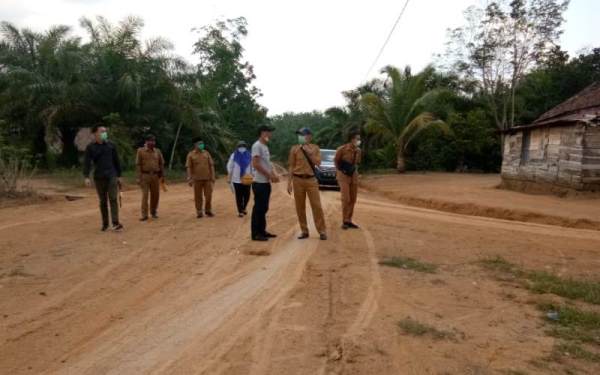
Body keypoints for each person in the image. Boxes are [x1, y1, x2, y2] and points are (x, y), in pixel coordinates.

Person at [287, 127, 327, 240]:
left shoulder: (315, 148)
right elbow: (291, 166)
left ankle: (322, 231)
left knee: (317, 206)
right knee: (300, 207)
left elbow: (318, 163)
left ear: (309, 136)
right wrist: (289, 182)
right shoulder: (294, 149)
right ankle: (304, 231)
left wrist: (309, 153)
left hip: (311, 180)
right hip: (297, 180)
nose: (300, 136)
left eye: (302, 134)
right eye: (299, 134)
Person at [83, 125, 124, 232]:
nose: (104, 133)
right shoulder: (90, 147)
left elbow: (116, 161)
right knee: (103, 201)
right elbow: (87, 163)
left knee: (113, 198)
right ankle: (105, 223)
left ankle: (115, 223)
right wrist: (86, 176)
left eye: (105, 131)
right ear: (95, 133)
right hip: (99, 177)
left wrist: (119, 175)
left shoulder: (111, 145)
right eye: (102, 131)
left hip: (111, 175)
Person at [251, 125, 280, 241]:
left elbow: (267, 163)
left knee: (264, 208)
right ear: (263, 133)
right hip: (259, 182)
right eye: (269, 132)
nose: (270, 135)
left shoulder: (265, 146)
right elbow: (256, 164)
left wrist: (273, 174)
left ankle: (262, 231)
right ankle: (256, 233)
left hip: (265, 182)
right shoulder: (257, 146)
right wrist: (269, 176)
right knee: (258, 208)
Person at [335, 131, 362, 230]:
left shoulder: (358, 151)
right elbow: (336, 161)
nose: (359, 141)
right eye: (357, 139)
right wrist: (342, 170)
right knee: (345, 198)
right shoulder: (342, 149)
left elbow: (357, 162)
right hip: (343, 176)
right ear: (352, 139)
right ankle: (345, 220)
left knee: (353, 199)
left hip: (353, 175)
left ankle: (349, 220)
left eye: (359, 139)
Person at [135, 134, 165, 221]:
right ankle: (144, 215)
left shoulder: (157, 151)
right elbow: (138, 165)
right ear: (146, 141)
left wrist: (162, 176)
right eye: (151, 141)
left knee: (155, 195)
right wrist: (138, 177)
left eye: (154, 141)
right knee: (145, 195)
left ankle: (153, 212)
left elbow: (161, 164)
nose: (153, 142)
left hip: (155, 176)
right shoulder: (140, 151)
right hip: (145, 176)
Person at [186, 137, 216, 218]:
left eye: (202, 143)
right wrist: (189, 178)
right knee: (198, 196)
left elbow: (211, 165)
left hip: (207, 179)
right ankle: (199, 211)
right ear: (195, 145)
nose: (202, 145)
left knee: (209, 195)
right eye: (199, 144)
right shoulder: (191, 155)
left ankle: (208, 210)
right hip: (197, 179)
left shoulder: (206, 153)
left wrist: (213, 176)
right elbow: (189, 167)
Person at [227, 141, 253, 217]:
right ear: (237, 147)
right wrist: (229, 176)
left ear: (245, 147)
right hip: (236, 179)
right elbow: (230, 166)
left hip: (247, 179)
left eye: (243, 146)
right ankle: (240, 211)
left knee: (247, 195)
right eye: (240, 146)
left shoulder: (249, 155)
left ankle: (244, 207)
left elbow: (253, 166)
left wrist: (253, 175)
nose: (242, 147)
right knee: (239, 196)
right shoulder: (233, 156)